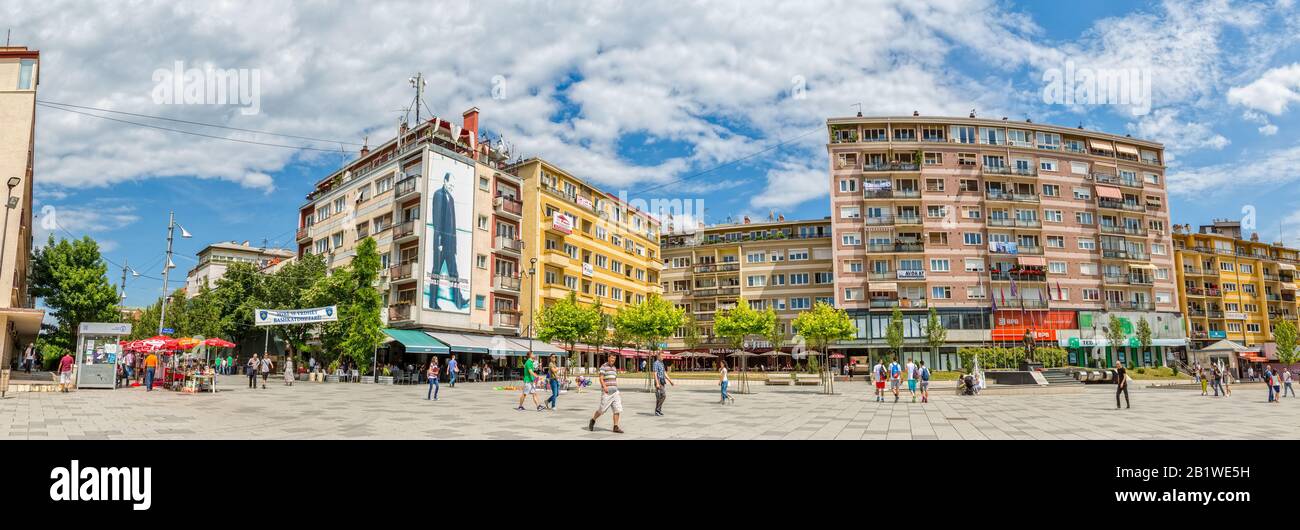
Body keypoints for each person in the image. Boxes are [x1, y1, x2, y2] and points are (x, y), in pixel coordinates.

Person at [589, 353, 623, 433]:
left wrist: (616, 389)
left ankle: (615, 426)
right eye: (612, 358)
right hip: (607, 393)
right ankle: (593, 420)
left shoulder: (614, 368)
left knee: (617, 409)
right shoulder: (603, 367)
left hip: (615, 393)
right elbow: (601, 378)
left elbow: (614, 379)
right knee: (601, 410)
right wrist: (604, 387)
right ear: (608, 358)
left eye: (614, 358)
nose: (613, 360)